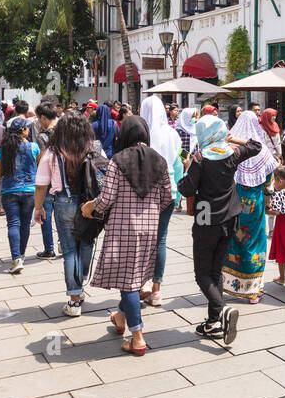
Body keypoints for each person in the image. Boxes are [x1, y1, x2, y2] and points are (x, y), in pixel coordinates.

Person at [80, 116, 172, 356]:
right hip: (150, 228)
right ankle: (121, 317)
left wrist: (91, 206)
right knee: (136, 275)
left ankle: (138, 337)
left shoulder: (117, 161)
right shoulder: (160, 160)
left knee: (128, 282)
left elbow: (108, 198)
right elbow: (166, 198)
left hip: (123, 228)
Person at [177, 116, 261, 346]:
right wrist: (232, 139)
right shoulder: (232, 152)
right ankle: (214, 321)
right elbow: (256, 145)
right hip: (230, 216)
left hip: (206, 218)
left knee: (202, 273)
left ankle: (221, 310)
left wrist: (185, 171)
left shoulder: (200, 157)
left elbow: (187, 189)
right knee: (215, 271)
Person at [33, 113, 101, 317]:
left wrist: (38, 208)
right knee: (87, 244)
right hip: (90, 203)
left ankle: (74, 299)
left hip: (64, 202)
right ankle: (79, 284)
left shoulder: (53, 152)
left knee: (70, 251)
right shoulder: (93, 147)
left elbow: (40, 184)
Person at [221, 109, 279, 304]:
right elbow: (270, 178)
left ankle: (229, 283)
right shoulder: (260, 149)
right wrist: (269, 196)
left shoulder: (229, 148)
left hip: (232, 202)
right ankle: (253, 290)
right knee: (255, 241)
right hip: (255, 204)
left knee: (233, 239)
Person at [140, 95, 184, 306]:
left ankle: (142, 283)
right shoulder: (173, 134)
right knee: (161, 239)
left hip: (145, 193)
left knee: (141, 239)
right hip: (170, 191)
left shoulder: (141, 135)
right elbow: (177, 164)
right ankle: (157, 290)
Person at [0, 117, 40, 274]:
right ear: (23, 131)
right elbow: (38, 166)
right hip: (29, 191)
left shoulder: (4, 149)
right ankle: (21, 255)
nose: (29, 130)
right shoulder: (34, 147)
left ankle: (16, 259)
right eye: (27, 128)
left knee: (13, 224)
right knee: (25, 224)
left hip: (9, 190)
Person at [31, 102, 60, 260]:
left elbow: (42, 160)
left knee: (45, 213)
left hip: (48, 180)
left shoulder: (43, 136)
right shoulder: (66, 130)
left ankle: (49, 248)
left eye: (38, 118)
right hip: (64, 179)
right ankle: (64, 242)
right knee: (63, 214)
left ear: (43, 117)